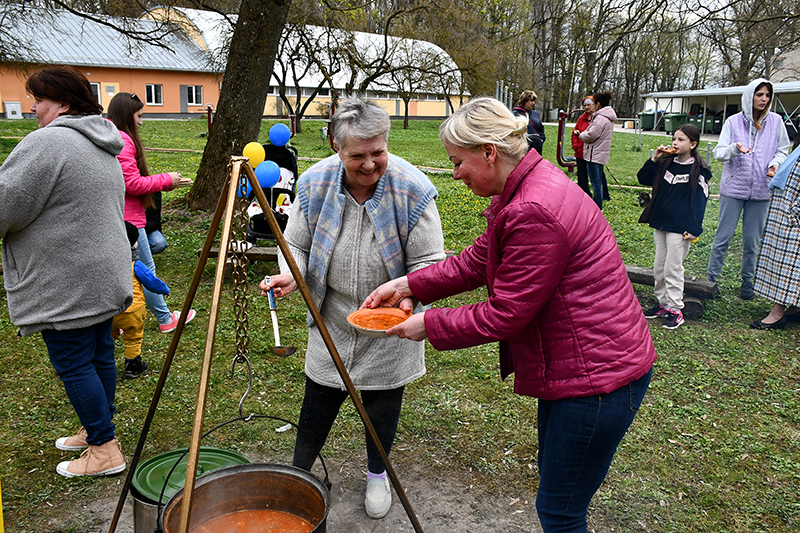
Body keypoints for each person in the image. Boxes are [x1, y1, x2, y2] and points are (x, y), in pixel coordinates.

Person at [362, 97, 656, 533]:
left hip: (597, 379)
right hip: (587, 369)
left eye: (457, 162)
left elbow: (506, 313)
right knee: (561, 496)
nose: (455, 173)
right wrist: (407, 285)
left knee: (560, 511)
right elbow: (477, 261)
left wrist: (427, 324)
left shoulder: (533, 208)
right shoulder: (528, 186)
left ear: (489, 152)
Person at [259, 97, 445, 519]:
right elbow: (296, 244)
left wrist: (410, 296)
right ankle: (299, 473)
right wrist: (293, 272)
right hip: (333, 317)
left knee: (382, 402)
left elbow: (429, 263)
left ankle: (378, 475)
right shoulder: (313, 183)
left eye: (377, 152)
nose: (369, 164)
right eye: (357, 155)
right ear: (336, 147)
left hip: (391, 321)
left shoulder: (412, 189)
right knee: (318, 399)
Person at [0, 66, 130, 477]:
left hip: (68, 278)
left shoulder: (49, 143)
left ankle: (104, 448)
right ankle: (98, 429)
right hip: (104, 270)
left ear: (64, 103)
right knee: (98, 352)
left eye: (40, 99)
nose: (32, 106)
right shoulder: (102, 140)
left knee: (73, 361)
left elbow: (7, 204)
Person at [107, 92, 196, 332]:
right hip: (129, 220)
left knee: (126, 272)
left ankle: (118, 321)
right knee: (145, 270)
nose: (141, 122)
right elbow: (133, 184)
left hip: (121, 216)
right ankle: (166, 320)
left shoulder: (112, 138)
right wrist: (167, 179)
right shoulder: (123, 141)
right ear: (128, 115)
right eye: (139, 116)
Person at [706, 78, 790, 300]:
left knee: (752, 241)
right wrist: (735, 148)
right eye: (759, 94)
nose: (764, 99)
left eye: (767, 96)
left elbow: (783, 149)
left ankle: (747, 282)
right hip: (734, 189)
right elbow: (719, 152)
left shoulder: (776, 121)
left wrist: (775, 164)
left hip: (762, 191)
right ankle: (711, 280)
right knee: (723, 238)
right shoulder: (733, 122)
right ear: (750, 95)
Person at [637, 124, 712, 330]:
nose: (675, 143)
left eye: (681, 140)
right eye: (674, 139)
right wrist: (655, 159)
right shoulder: (666, 162)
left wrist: (694, 227)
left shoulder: (699, 169)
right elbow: (642, 179)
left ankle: (676, 309)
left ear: (693, 144)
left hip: (680, 227)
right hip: (661, 221)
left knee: (672, 268)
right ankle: (662, 303)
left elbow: (700, 201)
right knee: (659, 267)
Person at [750, 143, 800, 329]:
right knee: (782, 261)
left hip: (792, 219)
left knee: (789, 264)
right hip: (784, 214)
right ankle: (795, 307)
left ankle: (777, 313)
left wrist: (794, 211)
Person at [112, 222, 170, 378]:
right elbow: (151, 281)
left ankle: (101, 360)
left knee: (107, 336)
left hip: (111, 310)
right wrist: (165, 289)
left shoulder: (108, 264)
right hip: (133, 310)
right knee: (133, 337)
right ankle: (133, 365)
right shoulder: (136, 265)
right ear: (133, 243)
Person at [579, 91, 617, 210]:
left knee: (596, 183)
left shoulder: (600, 118)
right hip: (599, 154)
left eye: (594, 103)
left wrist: (582, 135)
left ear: (598, 104)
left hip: (594, 155)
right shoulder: (607, 117)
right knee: (598, 181)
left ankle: (597, 207)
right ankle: (597, 205)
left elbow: (591, 135)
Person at [571, 96, 610, 201]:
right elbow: (574, 133)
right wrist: (576, 145)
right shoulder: (581, 119)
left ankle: (604, 196)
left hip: (593, 153)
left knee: (599, 177)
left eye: (589, 105)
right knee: (582, 177)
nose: (586, 107)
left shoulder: (598, 119)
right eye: (585, 105)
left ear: (595, 105)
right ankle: (585, 197)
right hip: (580, 152)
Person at [512, 90, 546, 155]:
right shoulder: (515, 114)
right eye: (531, 100)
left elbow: (541, 129)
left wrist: (541, 139)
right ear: (525, 100)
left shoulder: (535, 114)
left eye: (534, 101)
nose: (533, 103)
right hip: (522, 149)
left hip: (537, 149)